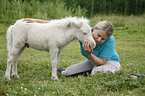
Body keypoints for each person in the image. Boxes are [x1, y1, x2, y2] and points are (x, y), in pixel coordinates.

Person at [23, 18, 121, 77]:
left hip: (109, 62)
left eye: (103, 39)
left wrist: (89, 54)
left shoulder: (110, 40)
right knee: (67, 73)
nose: (99, 40)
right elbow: (58, 25)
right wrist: (35, 21)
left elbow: (101, 62)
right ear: (94, 29)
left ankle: (115, 70)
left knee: (96, 73)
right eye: (98, 35)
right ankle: (85, 71)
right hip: (92, 62)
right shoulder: (83, 32)